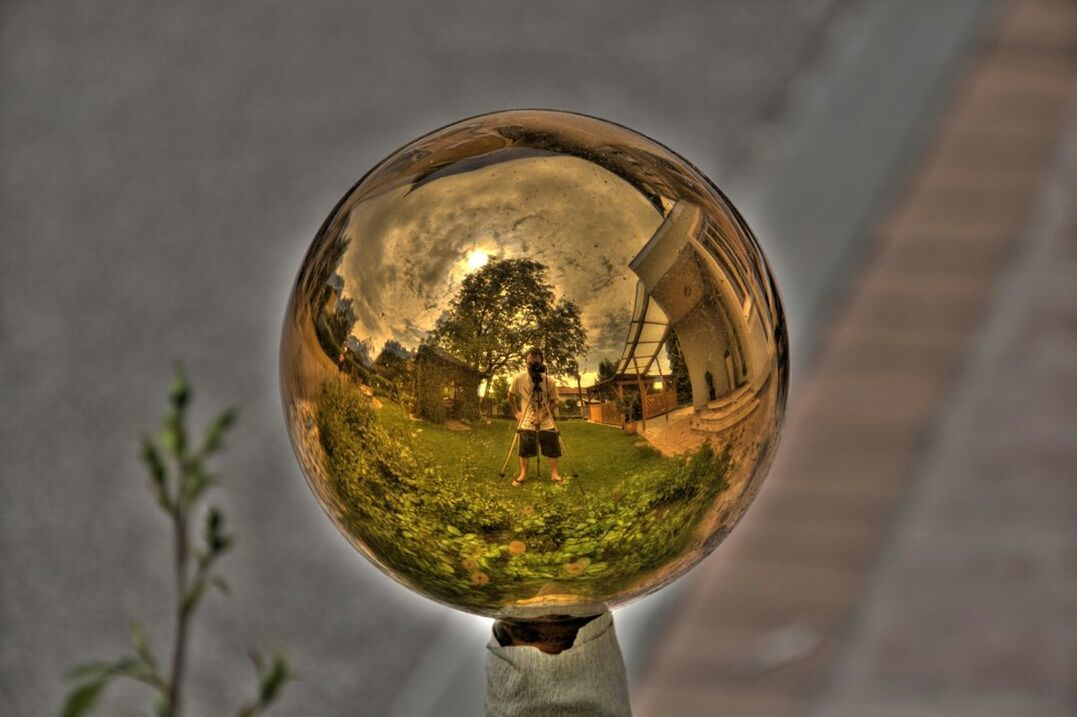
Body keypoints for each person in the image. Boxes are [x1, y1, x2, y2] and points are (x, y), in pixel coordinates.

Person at [509, 347, 562, 485]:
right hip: (526, 419)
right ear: (525, 363)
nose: (533, 366)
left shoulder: (549, 381)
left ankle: (554, 474)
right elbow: (510, 395)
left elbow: (556, 401)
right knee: (524, 449)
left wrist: (542, 414)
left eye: (536, 363)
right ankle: (523, 474)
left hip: (546, 420)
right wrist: (516, 412)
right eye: (530, 363)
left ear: (542, 363)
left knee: (552, 446)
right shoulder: (519, 379)